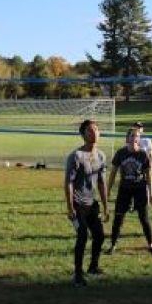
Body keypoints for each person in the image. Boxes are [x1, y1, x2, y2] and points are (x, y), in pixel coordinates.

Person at [65, 119, 109, 287]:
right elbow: (68, 183)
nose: (95, 133)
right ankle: (77, 275)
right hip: (77, 204)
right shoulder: (76, 156)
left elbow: (101, 183)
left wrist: (105, 206)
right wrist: (70, 208)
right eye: (90, 131)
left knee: (99, 235)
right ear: (83, 135)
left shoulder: (101, 156)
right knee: (82, 236)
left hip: (92, 204)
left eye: (96, 130)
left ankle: (93, 267)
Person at [107, 127, 152, 255]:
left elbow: (149, 174)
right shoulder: (120, 153)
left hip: (140, 189)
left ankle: (151, 245)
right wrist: (107, 190)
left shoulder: (143, 154)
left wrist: (151, 193)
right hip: (125, 189)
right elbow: (112, 173)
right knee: (118, 218)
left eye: (137, 136)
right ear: (127, 138)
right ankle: (112, 245)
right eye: (132, 135)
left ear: (139, 139)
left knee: (143, 217)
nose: (134, 138)